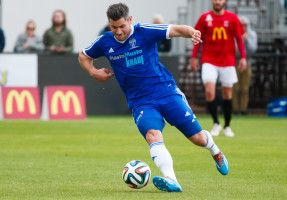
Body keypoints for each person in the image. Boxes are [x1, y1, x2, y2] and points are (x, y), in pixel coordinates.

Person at [79, 3, 229, 193]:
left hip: (166, 92)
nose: (118, 32)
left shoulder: (145, 31)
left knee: (198, 138)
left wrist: (192, 32)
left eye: (122, 26)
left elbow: (174, 29)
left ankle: (215, 151)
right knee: (153, 135)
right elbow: (83, 56)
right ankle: (172, 180)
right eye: (113, 27)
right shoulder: (104, 41)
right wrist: (93, 72)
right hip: (140, 101)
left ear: (130, 20)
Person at [190, 0, 247, 137]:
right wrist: (193, 57)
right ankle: (216, 123)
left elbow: (239, 38)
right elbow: (198, 38)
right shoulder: (205, 18)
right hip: (209, 61)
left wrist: (243, 57)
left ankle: (227, 126)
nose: (217, 1)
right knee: (210, 92)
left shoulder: (232, 18)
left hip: (227, 61)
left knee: (227, 94)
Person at [232, 16, 257, 115]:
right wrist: (239, 40)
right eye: (241, 25)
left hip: (248, 63)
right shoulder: (233, 34)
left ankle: (243, 110)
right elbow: (232, 50)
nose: (243, 27)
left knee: (245, 88)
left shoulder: (252, 35)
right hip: (235, 63)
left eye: (245, 25)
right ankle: (235, 109)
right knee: (235, 88)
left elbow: (253, 50)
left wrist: (246, 40)